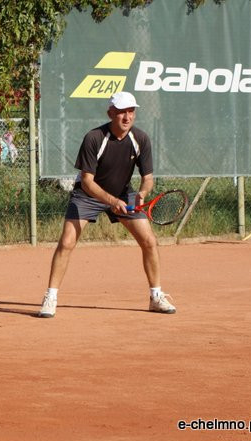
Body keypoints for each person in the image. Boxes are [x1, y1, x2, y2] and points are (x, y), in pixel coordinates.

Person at [38, 91, 176, 318]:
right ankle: (50, 297)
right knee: (66, 242)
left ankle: (156, 296)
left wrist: (142, 193)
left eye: (131, 111)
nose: (127, 117)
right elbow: (87, 181)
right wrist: (112, 202)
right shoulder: (94, 138)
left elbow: (147, 178)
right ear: (110, 113)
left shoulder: (140, 139)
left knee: (149, 241)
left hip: (123, 194)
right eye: (122, 111)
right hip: (87, 196)